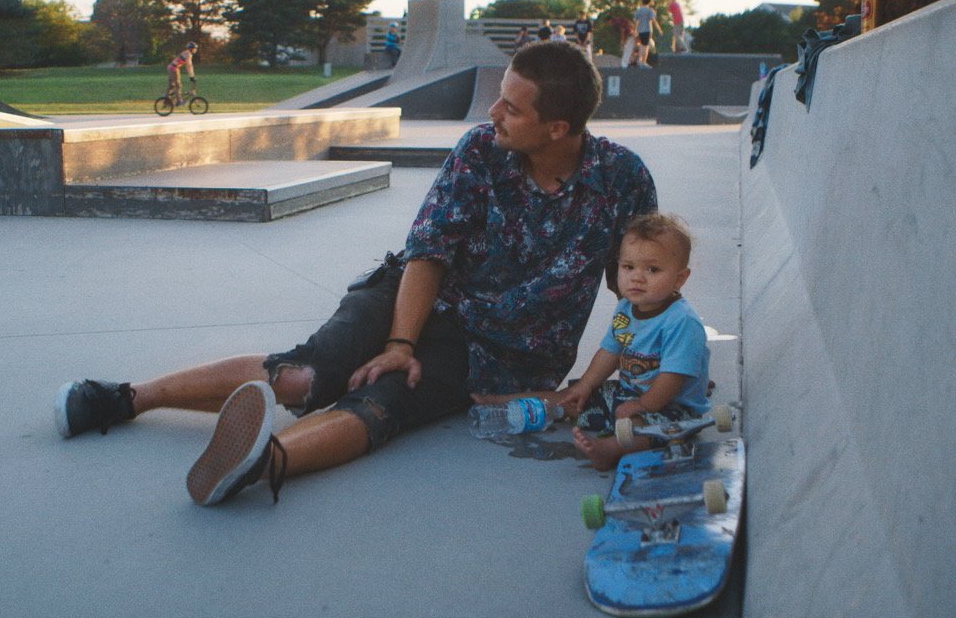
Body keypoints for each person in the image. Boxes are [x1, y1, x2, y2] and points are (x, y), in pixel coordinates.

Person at [54, 41, 658, 507]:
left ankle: (261, 464)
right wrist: (400, 340)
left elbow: (640, 292)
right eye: (497, 95)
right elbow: (429, 252)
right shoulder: (480, 152)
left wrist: (633, 382)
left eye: (512, 106)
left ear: (558, 128)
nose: (493, 112)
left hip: (500, 351)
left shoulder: (620, 181)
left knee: (386, 402)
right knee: (307, 378)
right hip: (414, 295)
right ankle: (129, 398)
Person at [560, 213, 711, 471]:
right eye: (628, 267)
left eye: (652, 270)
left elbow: (672, 378)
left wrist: (642, 406)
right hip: (631, 393)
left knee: (648, 429)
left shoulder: (681, 322)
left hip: (672, 406)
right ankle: (525, 406)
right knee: (577, 398)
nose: (637, 277)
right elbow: (611, 350)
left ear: (679, 278)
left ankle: (608, 451)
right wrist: (586, 384)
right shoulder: (625, 309)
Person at [633, 0, 662, 68]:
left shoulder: (638, 11)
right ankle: (642, 62)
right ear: (649, 2)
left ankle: (640, 60)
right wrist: (659, 29)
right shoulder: (650, 11)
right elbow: (653, 20)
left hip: (640, 31)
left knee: (642, 45)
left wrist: (635, 30)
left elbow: (636, 21)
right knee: (645, 47)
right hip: (647, 30)